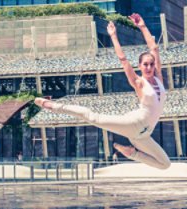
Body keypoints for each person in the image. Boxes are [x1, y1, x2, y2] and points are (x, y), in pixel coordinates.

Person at [34, 13, 170, 170]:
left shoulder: (159, 78)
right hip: (133, 124)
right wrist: (113, 36)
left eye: (151, 64)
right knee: (92, 117)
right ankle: (52, 105)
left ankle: (131, 153)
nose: (149, 67)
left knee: (165, 164)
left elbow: (154, 48)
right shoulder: (139, 83)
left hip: (144, 135)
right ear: (140, 66)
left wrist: (142, 26)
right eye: (145, 64)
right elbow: (123, 60)